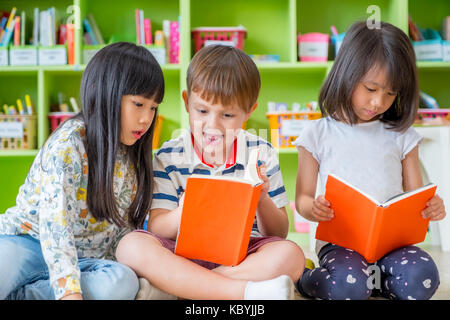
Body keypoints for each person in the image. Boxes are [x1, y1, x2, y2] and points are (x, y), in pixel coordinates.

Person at [116, 45, 306, 300]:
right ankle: (240, 291)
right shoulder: (168, 156)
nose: (212, 125)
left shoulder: (261, 152)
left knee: (291, 255)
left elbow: (278, 232)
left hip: (241, 256)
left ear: (249, 111)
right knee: (131, 246)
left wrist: (262, 199)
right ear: (186, 102)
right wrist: (185, 212)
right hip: (180, 253)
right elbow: (159, 227)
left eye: (227, 114)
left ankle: (180, 289)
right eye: (202, 111)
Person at [0, 42, 165, 300]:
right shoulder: (68, 145)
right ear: (104, 95)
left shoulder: (133, 156)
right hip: (28, 243)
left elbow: (123, 231)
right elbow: (56, 227)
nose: (147, 118)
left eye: (153, 107)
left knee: (121, 282)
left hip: (85, 260)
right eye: (138, 104)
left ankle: (21, 295)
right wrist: (69, 294)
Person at [294, 21, 446, 300]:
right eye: (371, 88)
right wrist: (313, 208)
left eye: (390, 93)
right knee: (347, 286)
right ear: (346, 74)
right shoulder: (316, 134)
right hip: (341, 244)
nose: (378, 102)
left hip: (393, 245)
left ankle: (374, 282)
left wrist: (431, 207)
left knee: (422, 278)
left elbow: (416, 198)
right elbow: (302, 199)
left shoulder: (402, 136)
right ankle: (306, 278)